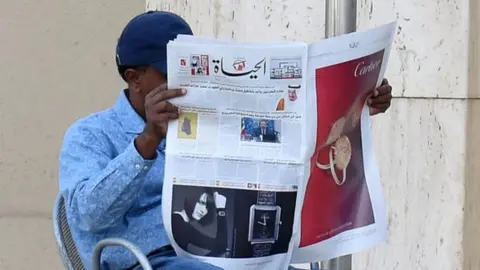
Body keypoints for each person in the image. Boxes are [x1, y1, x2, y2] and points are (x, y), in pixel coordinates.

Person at [57, 10, 393, 270]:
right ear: (135, 79)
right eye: (173, 70)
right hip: (150, 259)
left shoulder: (209, 114)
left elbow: (296, 137)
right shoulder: (91, 134)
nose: (187, 81)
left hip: (226, 252)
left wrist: (357, 104)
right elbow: (87, 214)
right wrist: (147, 140)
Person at [172, 188, 229, 257]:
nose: (203, 210)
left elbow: (220, 246)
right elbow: (221, 246)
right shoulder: (179, 223)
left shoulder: (178, 220)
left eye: (207, 207)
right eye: (201, 202)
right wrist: (221, 210)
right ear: (191, 198)